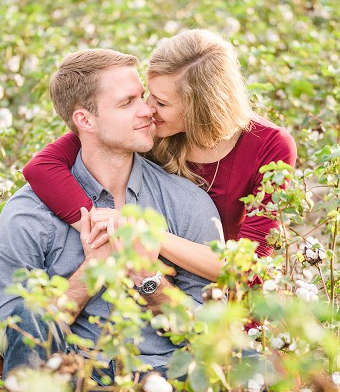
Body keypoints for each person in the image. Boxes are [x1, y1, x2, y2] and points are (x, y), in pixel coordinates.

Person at [0, 48, 238, 392]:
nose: (147, 111)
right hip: (78, 385)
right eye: (127, 103)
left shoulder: (186, 202)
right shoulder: (29, 214)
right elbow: (11, 337)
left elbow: (210, 333)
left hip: (166, 388)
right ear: (84, 120)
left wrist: (148, 282)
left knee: (237, 363)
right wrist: (90, 273)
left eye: (143, 97)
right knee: (27, 320)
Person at [22, 29, 297, 281]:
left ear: (201, 109)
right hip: (157, 286)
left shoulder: (270, 146)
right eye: (147, 94)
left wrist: (142, 233)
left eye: (161, 102)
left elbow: (249, 268)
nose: (146, 109)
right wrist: (101, 228)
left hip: (230, 307)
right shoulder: (145, 129)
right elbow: (42, 167)